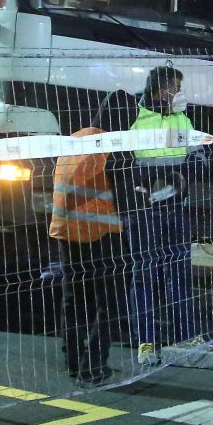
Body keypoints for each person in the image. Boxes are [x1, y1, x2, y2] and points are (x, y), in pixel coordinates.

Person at [114, 65, 201, 364]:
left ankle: (185, 335)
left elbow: (197, 159)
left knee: (178, 273)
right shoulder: (134, 118)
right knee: (144, 276)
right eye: (176, 88)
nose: (180, 94)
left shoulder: (183, 119)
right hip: (143, 210)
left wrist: (191, 166)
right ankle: (145, 342)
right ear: (161, 91)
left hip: (177, 208)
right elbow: (121, 163)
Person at [50, 92, 134, 386]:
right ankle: (95, 365)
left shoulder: (76, 139)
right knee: (110, 301)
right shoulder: (115, 147)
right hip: (100, 232)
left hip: (65, 229)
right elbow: (125, 194)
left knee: (73, 299)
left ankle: (73, 360)